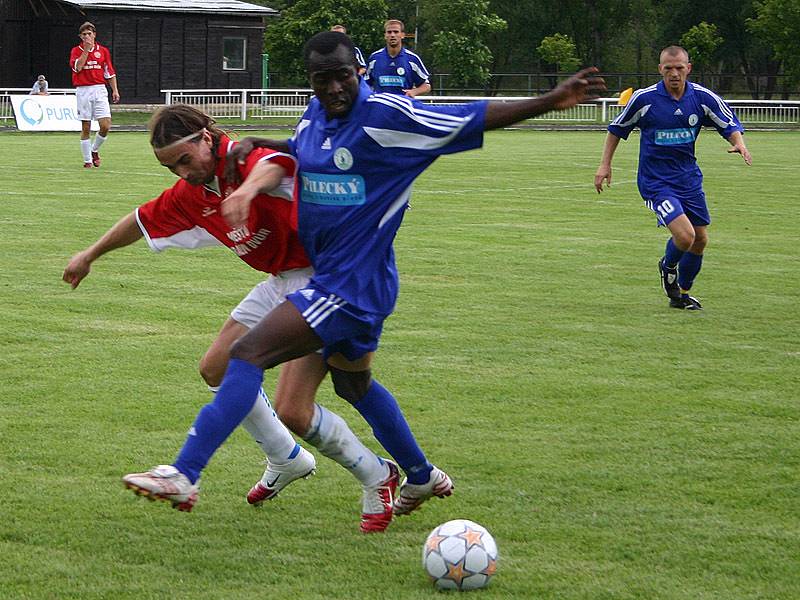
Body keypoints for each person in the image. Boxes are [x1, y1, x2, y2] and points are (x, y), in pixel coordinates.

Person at [121, 31, 604, 519]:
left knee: (246, 354)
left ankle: (184, 473)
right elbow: (307, 150)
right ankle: (419, 475)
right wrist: (265, 142)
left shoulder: (385, 117)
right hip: (354, 283)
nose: (333, 89)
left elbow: (471, 116)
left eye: (343, 77)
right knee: (354, 387)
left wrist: (553, 99)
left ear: (361, 72)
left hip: (347, 285)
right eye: (321, 80)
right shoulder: (315, 115)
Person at [63, 105, 401, 532]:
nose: (181, 173)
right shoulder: (193, 191)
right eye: (171, 168)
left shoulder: (244, 157)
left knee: (298, 406)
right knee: (216, 367)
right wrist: (91, 254)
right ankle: (286, 457)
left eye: (185, 160)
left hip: (326, 281)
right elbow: (141, 219)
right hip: (282, 281)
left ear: (206, 137)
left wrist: (245, 192)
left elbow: (275, 167)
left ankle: (378, 475)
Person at [594, 45, 751, 310]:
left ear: (688, 68)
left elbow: (728, 122)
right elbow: (616, 129)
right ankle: (667, 268)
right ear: (660, 70)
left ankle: (682, 293)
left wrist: (739, 142)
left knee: (700, 240)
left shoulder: (702, 97)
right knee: (685, 236)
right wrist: (604, 165)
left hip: (688, 179)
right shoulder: (645, 99)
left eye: (680, 68)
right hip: (655, 182)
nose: (674, 74)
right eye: (669, 68)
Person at [69, 21, 120, 169]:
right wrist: (86, 50)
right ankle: (87, 161)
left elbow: (109, 72)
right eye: (84, 34)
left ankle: (94, 150)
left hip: (99, 89)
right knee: (86, 126)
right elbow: (77, 68)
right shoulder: (76, 51)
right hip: (83, 90)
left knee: (105, 125)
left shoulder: (103, 51)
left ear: (94, 35)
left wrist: (115, 90)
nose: (87, 37)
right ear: (80, 36)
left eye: (89, 34)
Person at [365, 19, 431, 97]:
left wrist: (414, 92)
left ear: (402, 35)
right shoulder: (374, 58)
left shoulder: (412, 59)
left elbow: (426, 86)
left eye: (396, 32)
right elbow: (365, 83)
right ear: (385, 35)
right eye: (389, 32)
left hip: (403, 106)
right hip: (381, 107)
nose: (392, 35)